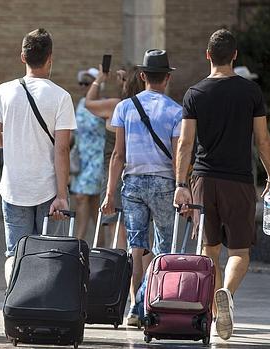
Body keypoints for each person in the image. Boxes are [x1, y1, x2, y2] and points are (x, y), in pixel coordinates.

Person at [174, 29, 270, 341]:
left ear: (207, 55)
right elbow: (263, 140)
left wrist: (181, 183)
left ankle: (220, 312)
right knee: (240, 251)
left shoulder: (194, 94)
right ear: (234, 55)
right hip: (238, 182)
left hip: (203, 182)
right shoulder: (250, 93)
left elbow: (185, 143)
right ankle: (227, 294)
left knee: (210, 251)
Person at [0, 28, 76, 286]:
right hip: (48, 190)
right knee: (49, 254)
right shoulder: (61, 97)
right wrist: (61, 195)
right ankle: (43, 308)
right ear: (50, 58)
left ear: (22, 57)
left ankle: (15, 303)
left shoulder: (4, 91)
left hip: (13, 188)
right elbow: (62, 149)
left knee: (15, 254)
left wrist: (15, 141)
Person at [101, 49, 182, 327]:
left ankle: (135, 309)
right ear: (168, 78)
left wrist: (110, 193)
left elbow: (117, 155)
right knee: (163, 247)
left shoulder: (124, 107)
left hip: (132, 183)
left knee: (136, 248)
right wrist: (183, 187)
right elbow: (177, 157)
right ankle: (146, 304)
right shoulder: (175, 111)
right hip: (163, 183)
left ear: (143, 75)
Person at [85, 65, 144, 248]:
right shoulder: (145, 107)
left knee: (117, 227)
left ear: (126, 82)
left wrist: (99, 79)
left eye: (121, 79)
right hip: (138, 173)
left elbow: (89, 102)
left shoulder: (116, 106)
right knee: (141, 234)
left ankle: (120, 274)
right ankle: (142, 276)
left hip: (114, 174)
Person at [70, 68, 104, 242]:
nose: (83, 87)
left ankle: (86, 239)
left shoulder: (103, 103)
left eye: (87, 83)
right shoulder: (80, 104)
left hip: (97, 159)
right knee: (85, 199)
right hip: (82, 158)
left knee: (89, 199)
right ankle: (83, 239)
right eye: (81, 83)